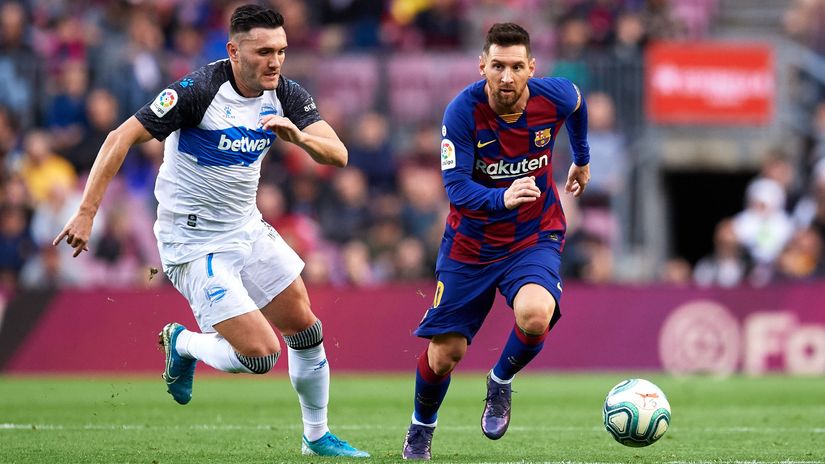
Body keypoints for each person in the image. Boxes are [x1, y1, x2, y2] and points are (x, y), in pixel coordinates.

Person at [53, 5, 368, 458]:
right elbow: (118, 138)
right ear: (234, 51)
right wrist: (87, 212)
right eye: (263, 52)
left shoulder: (285, 94)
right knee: (261, 355)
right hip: (194, 243)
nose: (274, 61)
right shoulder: (198, 91)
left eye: (280, 51)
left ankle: (316, 437)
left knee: (306, 327)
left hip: (246, 229)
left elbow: (337, 154)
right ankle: (181, 342)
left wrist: (299, 139)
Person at [401, 23, 590, 460]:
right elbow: (457, 189)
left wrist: (581, 159)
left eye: (516, 67)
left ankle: (500, 382)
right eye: (498, 66)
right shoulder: (460, 114)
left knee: (536, 314)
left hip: (533, 235)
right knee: (446, 353)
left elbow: (579, 104)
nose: (507, 76)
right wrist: (501, 196)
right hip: (471, 247)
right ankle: (421, 427)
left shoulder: (554, 96)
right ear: (482, 65)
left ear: (532, 68)